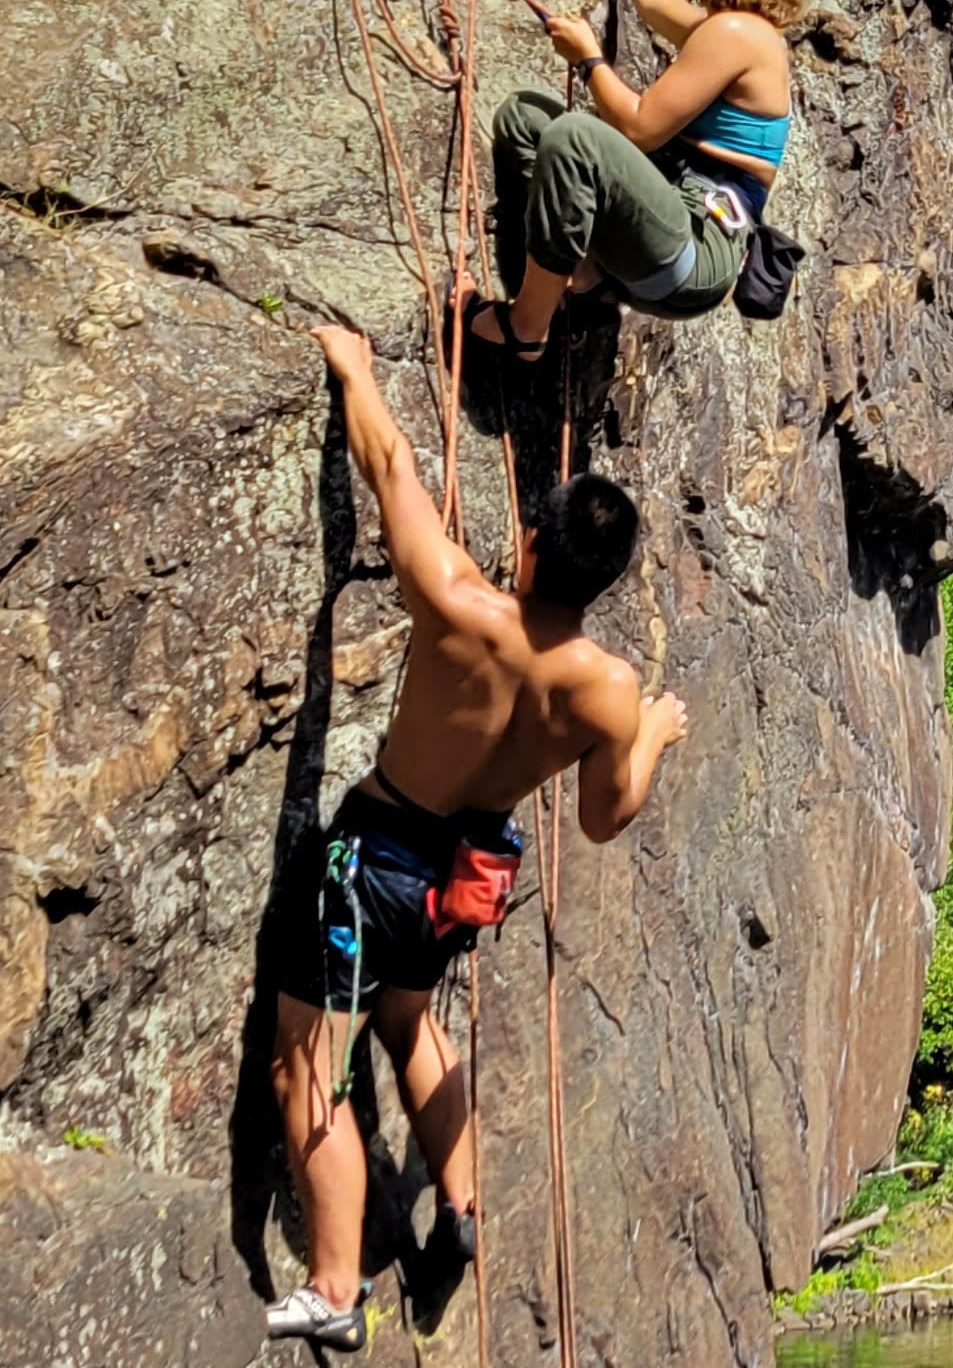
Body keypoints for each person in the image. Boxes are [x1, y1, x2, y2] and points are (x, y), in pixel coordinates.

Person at [266, 323, 688, 1353]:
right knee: (409, 1020)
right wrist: (656, 741)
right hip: (466, 878)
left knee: (308, 1068)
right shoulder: (610, 692)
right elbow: (603, 815)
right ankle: (458, 1207)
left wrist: (355, 371)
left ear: (535, 543)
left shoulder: (458, 604)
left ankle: (332, 1288)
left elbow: (392, 466)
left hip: (378, 858)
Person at [463, 0, 811, 361]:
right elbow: (656, 2)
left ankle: (528, 326)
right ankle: (586, 278)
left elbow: (639, 129)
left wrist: (588, 59)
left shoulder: (738, 36)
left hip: (697, 249)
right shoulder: (735, 32)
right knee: (526, 118)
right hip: (669, 227)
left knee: (576, 139)